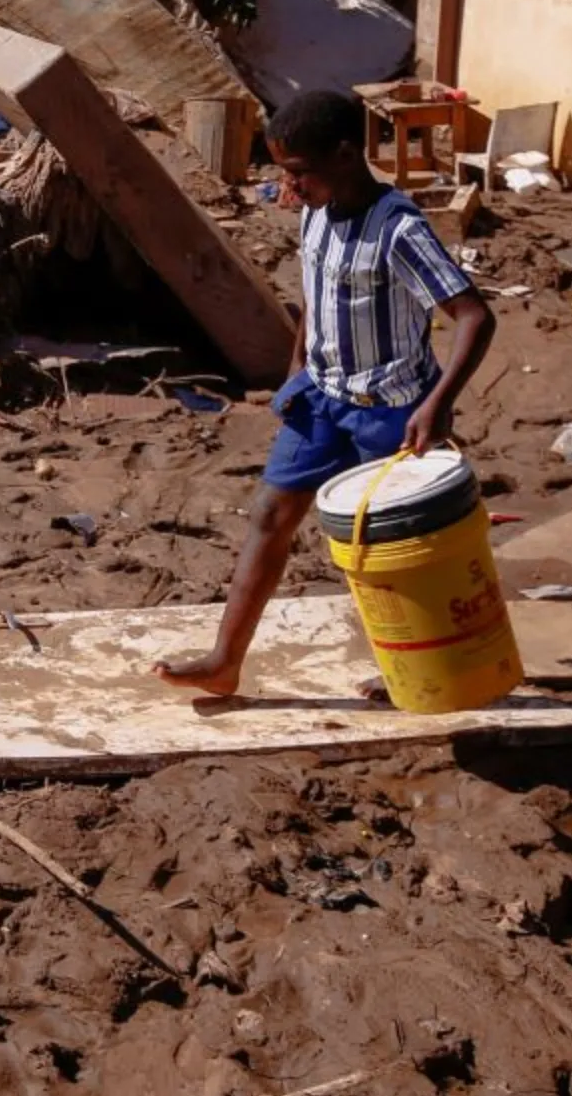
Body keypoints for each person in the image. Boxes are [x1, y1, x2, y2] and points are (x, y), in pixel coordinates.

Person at [157, 90, 495, 698]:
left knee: (385, 550)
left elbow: (474, 317)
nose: (289, 186)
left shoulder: (399, 228)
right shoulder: (316, 211)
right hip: (321, 401)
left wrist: (438, 404)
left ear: (344, 155)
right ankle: (224, 661)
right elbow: (315, 301)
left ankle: (415, 666)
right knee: (269, 516)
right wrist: (295, 374)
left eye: (296, 172)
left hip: (393, 412)